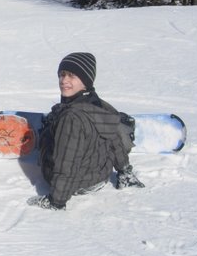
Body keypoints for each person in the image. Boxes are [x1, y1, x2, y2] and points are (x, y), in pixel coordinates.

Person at [28, 52, 144, 210]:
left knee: (53, 134)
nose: (64, 81)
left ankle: (49, 130)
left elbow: (66, 161)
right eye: (62, 75)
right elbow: (114, 140)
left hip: (76, 185)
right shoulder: (100, 105)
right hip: (100, 177)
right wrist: (124, 171)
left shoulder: (71, 119)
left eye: (71, 76)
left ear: (85, 81)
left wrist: (57, 200)